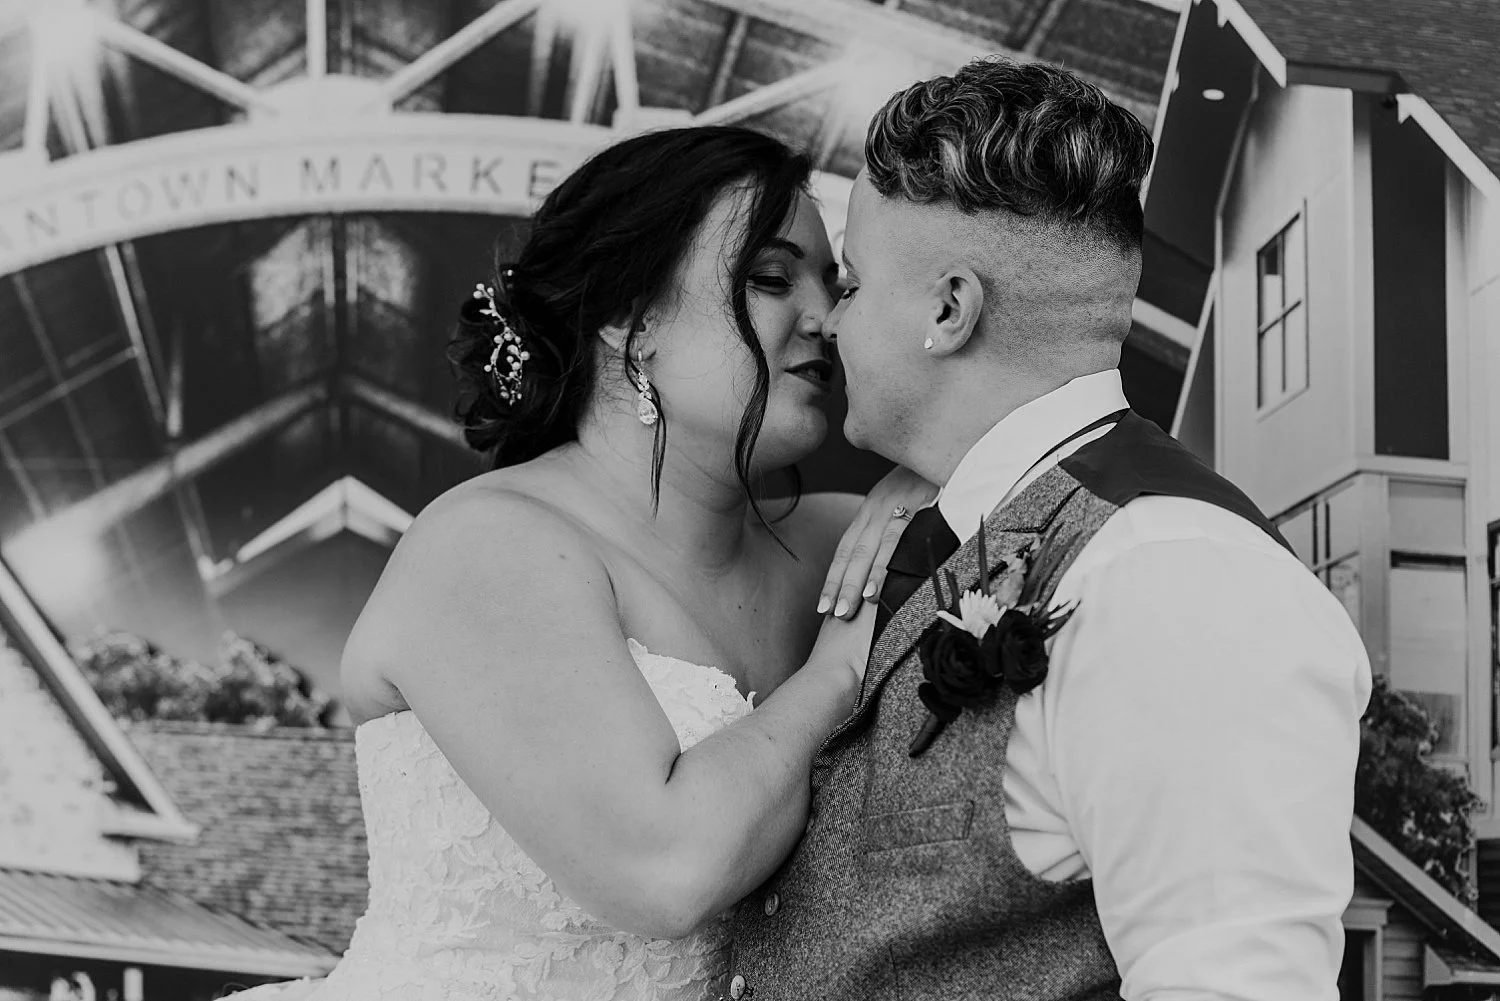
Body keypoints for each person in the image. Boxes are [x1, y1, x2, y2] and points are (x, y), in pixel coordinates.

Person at [222, 124, 933, 1001]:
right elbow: (662, 868)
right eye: (771, 278)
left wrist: (929, 478)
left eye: (837, 282)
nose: (826, 316)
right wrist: (838, 666)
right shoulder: (493, 544)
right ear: (632, 325)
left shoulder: (844, 539)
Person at [722, 58, 1374, 1001]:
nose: (829, 323)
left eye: (854, 284)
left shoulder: (1175, 574)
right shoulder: (973, 521)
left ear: (949, 310)